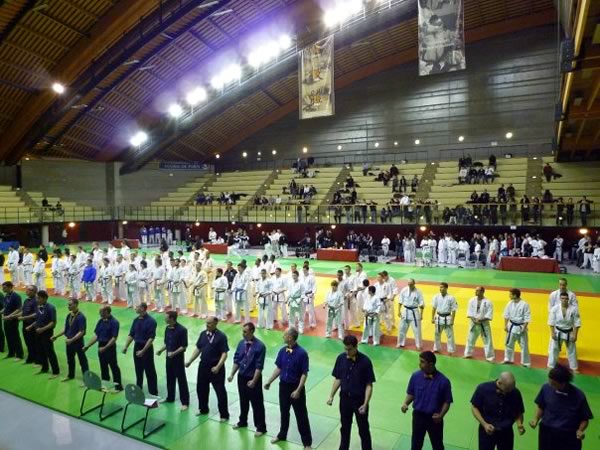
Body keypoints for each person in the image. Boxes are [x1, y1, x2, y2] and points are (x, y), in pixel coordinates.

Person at [264, 327, 312, 449]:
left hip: (296, 387)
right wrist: (269, 381)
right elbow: (279, 368)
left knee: (301, 415)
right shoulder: (282, 351)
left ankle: (307, 443)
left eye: (284, 334)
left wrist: (298, 390)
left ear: (290, 337)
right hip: (283, 386)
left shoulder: (302, 353)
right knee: (284, 412)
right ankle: (282, 434)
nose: (283, 336)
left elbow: (304, 373)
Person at [327, 335, 375, 450]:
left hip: (359, 401)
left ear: (356, 347)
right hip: (344, 399)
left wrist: (365, 403)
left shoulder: (365, 362)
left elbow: (369, 385)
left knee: (363, 429)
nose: (347, 352)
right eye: (345, 349)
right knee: (344, 427)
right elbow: (338, 378)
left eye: (349, 349)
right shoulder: (341, 358)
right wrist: (331, 396)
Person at [529, 364, 593, 450]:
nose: (551, 385)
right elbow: (541, 406)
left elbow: (585, 418)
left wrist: (580, 430)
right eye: (550, 382)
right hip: (547, 433)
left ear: (564, 383)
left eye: (554, 384)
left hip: (568, 436)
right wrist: (536, 419)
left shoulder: (578, 396)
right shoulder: (546, 388)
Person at [401, 351, 453, 450]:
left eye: (422, 362)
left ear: (431, 364)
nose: (419, 364)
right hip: (418, 416)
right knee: (416, 443)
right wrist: (405, 403)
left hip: (434, 418)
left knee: (437, 444)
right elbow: (411, 393)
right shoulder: (415, 376)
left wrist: (441, 415)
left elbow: (447, 401)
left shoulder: (444, 381)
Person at [185, 316, 229, 421]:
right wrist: (190, 361)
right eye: (206, 323)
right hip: (203, 366)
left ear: (215, 324)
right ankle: (203, 409)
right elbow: (198, 349)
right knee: (201, 389)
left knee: (220, 391)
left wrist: (218, 366)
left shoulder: (221, 336)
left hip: (215, 367)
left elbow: (224, 353)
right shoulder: (203, 334)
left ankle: (224, 415)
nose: (207, 325)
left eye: (209, 323)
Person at [227, 322, 267, 437]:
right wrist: (232, 374)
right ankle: (242, 421)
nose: (243, 334)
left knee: (257, 403)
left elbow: (259, 366)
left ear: (252, 332)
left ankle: (261, 427)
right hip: (242, 377)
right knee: (243, 400)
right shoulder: (241, 344)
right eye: (243, 331)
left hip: (253, 378)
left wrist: (254, 381)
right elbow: (237, 360)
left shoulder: (260, 346)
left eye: (245, 331)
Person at [471, 372, 526, 450]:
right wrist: (484, 424)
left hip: (506, 433)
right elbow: (474, 407)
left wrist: (519, 424)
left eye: (511, 389)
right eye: (507, 390)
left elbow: (519, 412)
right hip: (487, 431)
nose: (509, 392)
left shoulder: (515, 392)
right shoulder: (483, 388)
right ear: (500, 383)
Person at [83, 306, 122, 391]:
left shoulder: (115, 322)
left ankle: (118, 386)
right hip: (101, 345)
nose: (99, 314)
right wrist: (87, 346)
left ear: (106, 312)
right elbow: (96, 335)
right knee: (103, 366)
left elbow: (114, 338)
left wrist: (104, 348)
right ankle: (105, 384)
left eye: (101, 312)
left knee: (114, 367)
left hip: (109, 347)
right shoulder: (100, 321)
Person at [122, 303, 158, 395]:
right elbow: (131, 334)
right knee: (138, 370)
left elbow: (151, 338)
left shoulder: (151, 321)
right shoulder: (136, 320)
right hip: (137, 346)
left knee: (150, 371)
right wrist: (126, 346)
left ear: (142, 308)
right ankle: (139, 390)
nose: (135, 308)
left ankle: (153, 393)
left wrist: (143, 351)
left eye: (137, 307)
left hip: (146, 348)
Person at [157, 311, 189, 411]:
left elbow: (184, 346)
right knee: (170, 379)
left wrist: (173, 353)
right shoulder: (167, 329)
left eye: (166, 317)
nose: (164, 319)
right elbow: (167, 343)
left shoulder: (182, 330)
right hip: (168, 358)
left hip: (178, 360)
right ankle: (170, 397)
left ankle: (185, 402)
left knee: (181, 380)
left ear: (171, 318)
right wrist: (161, 350)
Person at [52, 299, 89, 382]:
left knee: (82, 361)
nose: (68, 306)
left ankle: (87, 379)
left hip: (78, 343)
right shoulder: (69, 316)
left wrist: (72, 340)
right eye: (68, 305)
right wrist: (56, 336)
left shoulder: (81, 317)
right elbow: (66, 329)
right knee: (70, 360)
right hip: (69, 342)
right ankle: (70, 375)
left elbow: (82, 332)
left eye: (70, 305)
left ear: (76, 304)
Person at [26, 290, 59, 377]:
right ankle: (44, 368)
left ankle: (55, 371)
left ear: (45, 298)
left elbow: (53, 322)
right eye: (37, 298)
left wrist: (43, 329)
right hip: (38, 332)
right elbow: (38, 319)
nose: (37, 300)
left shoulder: (51, 308)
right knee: (41, 351)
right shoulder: (37, 307)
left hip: (47, 333)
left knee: (49, 351)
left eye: (39, 298)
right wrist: (31, 326)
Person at [548, 292, 581, 372]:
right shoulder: (555, 309)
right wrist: (552, 332)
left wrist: (575, 334)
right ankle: (551, 366)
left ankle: (574, 368)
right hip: (558, 331)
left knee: (572, 350)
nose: (564, 300)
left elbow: (577, 323)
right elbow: (551, 322)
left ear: (568, 299)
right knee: (554, 350)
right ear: (560, 299)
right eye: (562, 298)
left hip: (569, 332)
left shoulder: (574, 309)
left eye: (566, 299)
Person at [464, 286, 495, 361]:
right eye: (476, 290)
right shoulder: (471, 300)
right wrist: (474, 319)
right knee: (470, 339)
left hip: (484, 324)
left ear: (482, 292)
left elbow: (489, 314)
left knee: (487, 340)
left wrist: (481, 320)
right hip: (473, 323)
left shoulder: (488, 302)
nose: (475, 292)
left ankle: (490, 357)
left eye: (477, 291)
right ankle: (468, 354)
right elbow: (469, 312)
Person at [503, 288, 531, 368]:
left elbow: (527, 317)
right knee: (509, 344)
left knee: (524, 345)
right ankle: (508, 359)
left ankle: (525, 362)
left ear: (515, 295)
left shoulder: (524, 304)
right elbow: (506, 315)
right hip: (511, 325)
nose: (509, 296)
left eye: (510, 294)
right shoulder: (509, 303)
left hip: (521, 326)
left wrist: (524, 327)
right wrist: (505, 325)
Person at [397, 278, 425, 350]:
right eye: (408, 284)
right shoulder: (404, 290)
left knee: (417, 330)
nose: (409, 285)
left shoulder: (418, 292)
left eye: (411, 284)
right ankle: (400, 343)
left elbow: (421, 303)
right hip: (405, 310)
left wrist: (421, 314)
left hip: (414, 312)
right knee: (402, 328)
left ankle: (418, 345)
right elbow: (400, 301)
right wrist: (398, 311)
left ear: (414, 284)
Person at [431, 282, 457, 354]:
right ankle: (436, 348)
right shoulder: (436, 296)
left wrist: (452, 320)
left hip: (447, 317)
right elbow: (433, 308)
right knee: (437, 334)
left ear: (446, 288)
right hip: (438, 317)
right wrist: (432, 318)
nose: (440, 289)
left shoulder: (451, 298)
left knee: (450, 335)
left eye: (442, 287)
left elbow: (454, 310)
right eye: (440, 287)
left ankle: (451, 350)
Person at [2, 281, 23, 359]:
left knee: (15, 336)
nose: (3, 289)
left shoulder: (16, 296)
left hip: (13, 320)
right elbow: (5, 307)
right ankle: (11, 352)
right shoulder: (6, 296)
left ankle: (19, 354)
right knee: (8, 336)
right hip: (6, 319)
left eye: (4, 287)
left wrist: (10, 316)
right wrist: (1, 312)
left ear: (10, 287)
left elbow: (19, 309)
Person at [18, 285, 38, 364]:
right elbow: (23, 311)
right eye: (27, 289)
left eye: (29, 290)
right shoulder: (26, 300)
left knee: (34, 342)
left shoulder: (36, 301)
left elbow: (36, 314)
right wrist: (14, 316)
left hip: (32, 325)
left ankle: (37, 359)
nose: (26, 291)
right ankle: (31, 357)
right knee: (28, 341)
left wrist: (24, 317)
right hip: (25, 324)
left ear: (34, 292)